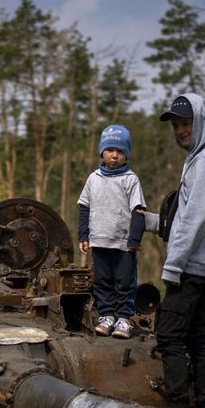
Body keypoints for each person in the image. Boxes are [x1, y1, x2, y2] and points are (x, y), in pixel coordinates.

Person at [149, 93, 205, 408]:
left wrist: (173, 265)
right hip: (202, 266)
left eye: (186, 124)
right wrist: (151, 221)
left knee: (169, 335)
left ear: (200, 123)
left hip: (190, 266)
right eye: (176, 126)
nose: (181, 131)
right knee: (197, 338)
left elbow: (195, 218)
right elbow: (184, 216)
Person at [77, 124, 147, 339]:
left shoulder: (130, 179)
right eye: (110, 150)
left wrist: (134, 239)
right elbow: (84, 206)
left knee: (125, 282)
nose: (114, 156)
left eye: (120, 151)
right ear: (102, 152)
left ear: (126, 154)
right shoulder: (94, 178)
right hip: (99, 241)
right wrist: (83, 235)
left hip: (124, 243)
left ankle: (124, 319)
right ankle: (107, 316)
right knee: (102, 281)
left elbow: (138, 210)